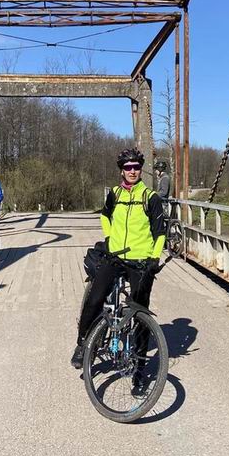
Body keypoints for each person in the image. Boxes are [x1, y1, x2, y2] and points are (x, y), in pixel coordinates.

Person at [71, 148, 166, 392]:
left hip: (141, 260)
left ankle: (140, 368)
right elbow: (105, 216)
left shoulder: (150, 197)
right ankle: (83, 344)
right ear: (121, 170)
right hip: (115, 256)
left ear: (140, 169)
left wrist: (154, 258)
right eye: (127, 167)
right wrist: (110, 237)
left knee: (140, 313)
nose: (132, 171)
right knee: (94, 299)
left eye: (136, 167)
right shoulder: (114, 194)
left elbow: (160, 232)